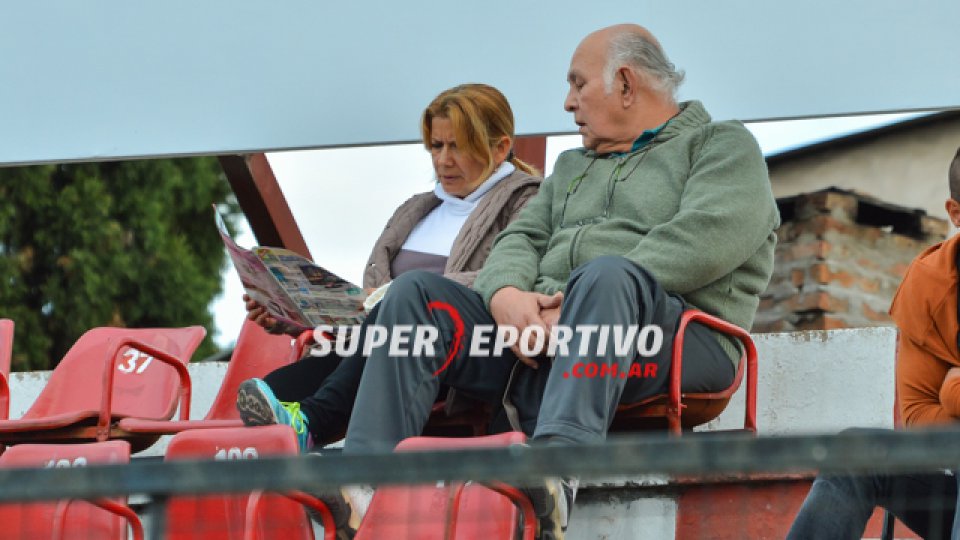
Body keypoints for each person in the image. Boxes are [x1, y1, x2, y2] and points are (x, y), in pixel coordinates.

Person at [241, 23, 779, 539]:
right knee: (413, 296)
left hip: (676, 338)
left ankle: (554, 470)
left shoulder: (722, 145)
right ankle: (363, 483)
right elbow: (516, 243)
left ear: (625, 83)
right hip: (543, 341)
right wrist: (506, 296)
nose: (568, 103)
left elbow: (708, 237)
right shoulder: (571, 168)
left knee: (608, 273)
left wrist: (570, 301)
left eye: (577, 83)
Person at [238, 82, 541, 445]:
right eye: (437, 146)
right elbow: (367, 308)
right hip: (380, 340)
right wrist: (289, 315)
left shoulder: (529, 201)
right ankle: (292, 476)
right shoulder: (415, 210)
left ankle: (315, 422)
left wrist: (393, 296)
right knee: (278, 389)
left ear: (500, 147)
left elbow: (515, 273)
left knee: (403, 302)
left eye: (457, 146)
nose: (443, 160)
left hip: (460, 347)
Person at [787, 147, 960, 540]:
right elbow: (918, 418)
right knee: (857, 450)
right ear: (956, 214)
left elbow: (941, 402)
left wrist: (952, 390)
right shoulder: (931, 284)